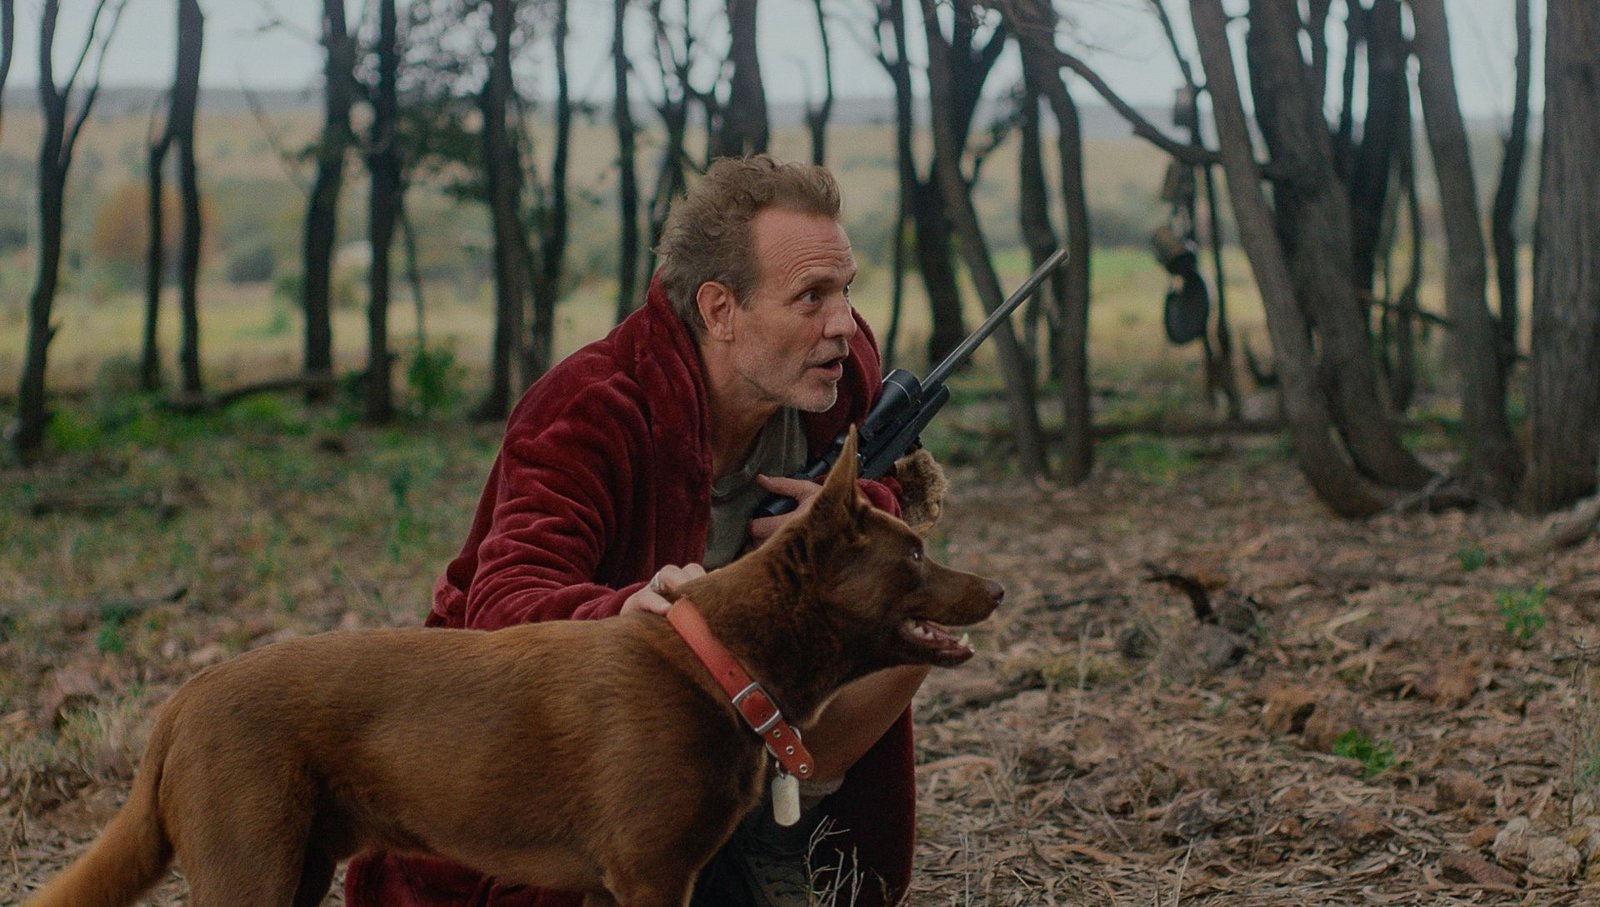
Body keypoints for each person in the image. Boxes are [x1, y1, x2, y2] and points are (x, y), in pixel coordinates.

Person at [344, 155, 934, 907]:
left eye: (845, 288)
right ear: (720, 310)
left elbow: (884, 495)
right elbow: (501, 600)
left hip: (729, 743)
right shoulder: (589, 408)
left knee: (899, 610)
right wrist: (625, 610)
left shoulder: (836, 377)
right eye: (811, 296)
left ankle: (777, 839)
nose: (843, 322)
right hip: (551, 766)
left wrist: (844, 513)